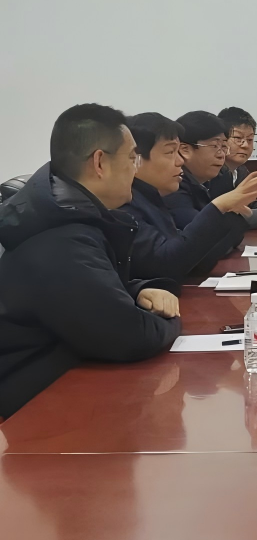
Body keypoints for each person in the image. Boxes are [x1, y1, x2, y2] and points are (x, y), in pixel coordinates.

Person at [0, 104, 181, 418]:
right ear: (100, 163)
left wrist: (137, 291)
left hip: (67, 378)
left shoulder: (70, 217)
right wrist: (173, 319)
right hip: (37, 405)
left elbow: (88, 290)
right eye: (132, 158)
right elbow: (129, 337)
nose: (135, 169)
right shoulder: (61, 240)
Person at [120, 113, 257, 281]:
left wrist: (229, 211)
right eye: (170, 152)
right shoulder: (126, 206)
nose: (180, 161)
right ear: (135, 159)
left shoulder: (153, 198)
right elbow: (169, 264)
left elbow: (201, 259)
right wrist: (218, 208)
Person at [164, 111, 257, 237]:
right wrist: (224, 207)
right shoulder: (173, 186)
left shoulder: (206, 182)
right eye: (214, 146)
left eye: (223, 147)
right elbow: (204, 234)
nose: (221, 155)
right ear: (185, 150)